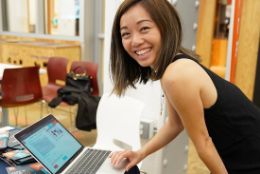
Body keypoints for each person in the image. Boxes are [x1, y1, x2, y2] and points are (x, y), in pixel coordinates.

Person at [109, 0, 260, 173]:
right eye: (126, 34)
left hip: (251, 156)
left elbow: (204, 143)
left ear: (164, 26)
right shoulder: (172, 67)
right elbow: (175, 124)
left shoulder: (176, 75)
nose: (135, 41)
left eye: (144, 28)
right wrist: (140, 154)